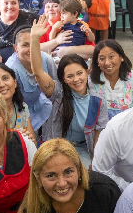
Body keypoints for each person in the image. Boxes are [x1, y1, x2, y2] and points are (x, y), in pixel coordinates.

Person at [31, 18, 108, 166]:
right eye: (70, 76)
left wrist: (94, 162)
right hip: (56, 149)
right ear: (63, 79)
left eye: (79, 73)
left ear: (87, 72)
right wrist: (35, 39)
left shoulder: (97, 99)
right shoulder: (58, 93)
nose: (76, 79)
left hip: (83, 150)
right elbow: (39, 73)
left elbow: (99, 135)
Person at [4, 26, 58, 131]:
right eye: (25, 45)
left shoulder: (46, 58)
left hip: (43, 104)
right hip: (20, 113)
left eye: (34, 44)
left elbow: (56, 90)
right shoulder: (11, 69)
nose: (30, 49)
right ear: (16, 48)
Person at [89, 39, 133, 119]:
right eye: (102, 58)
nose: (107, 62)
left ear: (121, 57)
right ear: (97, 62)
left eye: (111, 57)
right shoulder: (92, 82)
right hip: (103, 130)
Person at [0, 63, 37, 141]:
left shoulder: (22, 108)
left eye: (5, 78)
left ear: (15, 83)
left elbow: (33, 143)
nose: (2, 85)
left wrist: (29, 140)